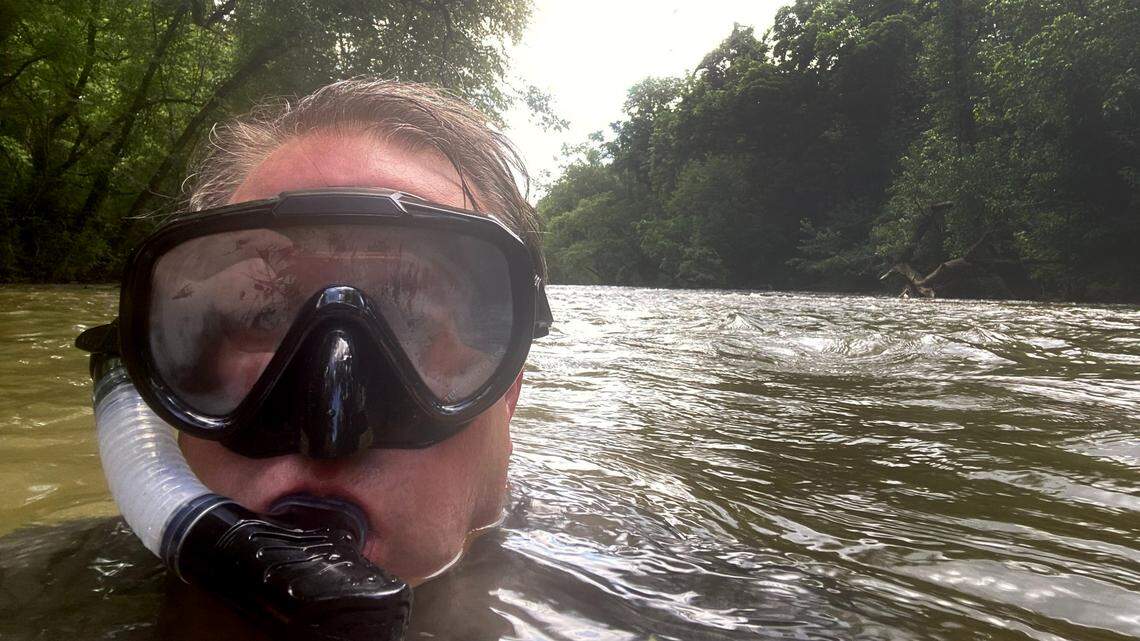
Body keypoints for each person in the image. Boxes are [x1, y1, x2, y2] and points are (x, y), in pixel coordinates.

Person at [74, 77, 552, 637]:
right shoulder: (40, 594)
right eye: (261, 316)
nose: (331, 425)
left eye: (414, 317)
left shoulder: (641, 593)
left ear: (509, 393)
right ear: (165, 372)